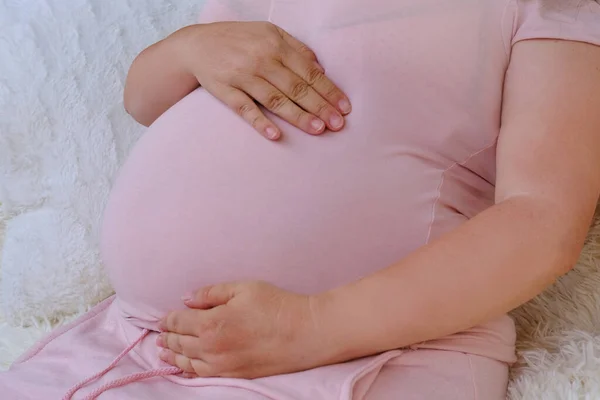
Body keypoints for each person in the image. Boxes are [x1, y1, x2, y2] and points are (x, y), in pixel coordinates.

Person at [2, 0, 600, 399]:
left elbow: (543, 218)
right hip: (138, 338)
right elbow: (147, 102)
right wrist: (187, 49)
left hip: (371, 355)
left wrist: (313, 326)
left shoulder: (547, 7)